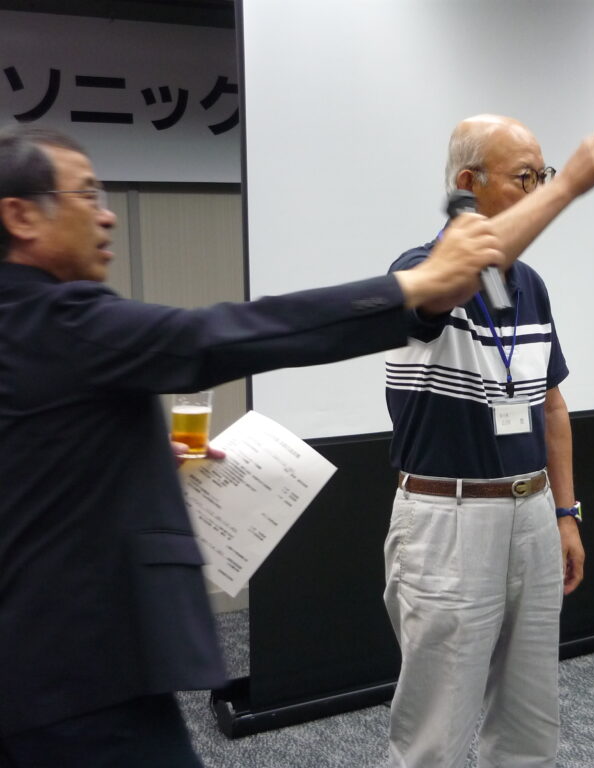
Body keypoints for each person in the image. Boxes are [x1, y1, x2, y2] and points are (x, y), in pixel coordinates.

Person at [0, 125, 502, 767]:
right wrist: (413, 288)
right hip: (76, 677)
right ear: (20, 216)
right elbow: (218, 335)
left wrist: (129, 456)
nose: (106, 215)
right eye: (87, 194)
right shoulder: (58, 319)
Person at [382, 115, 594, 768]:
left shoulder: (531, 285)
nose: (539, 190)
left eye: (544, 177)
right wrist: (574, 182)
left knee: (529, 715)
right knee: (436, 730)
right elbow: (459, 276)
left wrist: (565, 513)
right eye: (527, 178)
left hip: (531, 511)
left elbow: (551, 405)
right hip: (451, 517)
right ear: (468, 184)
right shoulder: (419, 270)